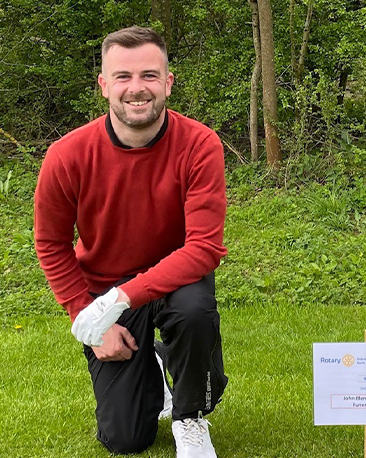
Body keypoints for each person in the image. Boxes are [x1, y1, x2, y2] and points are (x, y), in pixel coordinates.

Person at [34, 26, 228, 458]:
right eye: (123, 76)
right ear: (104, 85)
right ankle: (156, 366)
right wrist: (87, 315)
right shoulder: (66, 155)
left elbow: (204, 249)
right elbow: (50, 243)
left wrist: (122, 298)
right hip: (102, 285)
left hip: (178, 278)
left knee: (194, 310)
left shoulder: (199, 144)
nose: (136, 88)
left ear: (168, 83)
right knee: (126, 440)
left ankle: (191, 416)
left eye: (149, 75)